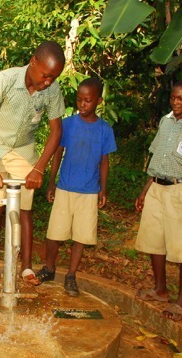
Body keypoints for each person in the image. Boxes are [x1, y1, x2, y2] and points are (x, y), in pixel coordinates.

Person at [0, 40, 65, 281]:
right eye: (45, 75)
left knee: (25, 209)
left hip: (24, 149)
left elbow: (56, 131)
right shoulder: (5, 80)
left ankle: (26, 266)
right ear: (33, 62)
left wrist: (39, 168)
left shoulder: (52, 90)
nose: (48, 82)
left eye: (53, 78)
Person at [134, 79, 182, 321]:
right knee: (154, 240)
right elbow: (156, 157)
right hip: (157, 187)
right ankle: (160, 289)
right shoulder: (165, 121)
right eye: (173, 97)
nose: (176, 102)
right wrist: (145, 191)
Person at [34, 78, 116, 296]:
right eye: (79, 99)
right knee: (54, 233)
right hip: (65, 187)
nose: (82, 104)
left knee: (81, 236)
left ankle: (71, 275)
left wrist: (103, 189)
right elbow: (58, 152)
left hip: (89, 191)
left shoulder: (104, 130)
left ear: (98, 101)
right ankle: (49, 268)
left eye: (87, 101)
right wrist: (51, 182)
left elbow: (104, 161)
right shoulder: (68, 124)